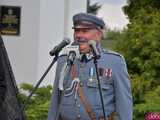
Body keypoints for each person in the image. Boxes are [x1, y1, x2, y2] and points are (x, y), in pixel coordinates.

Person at [48, 13, 133, 120]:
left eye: (85, 31)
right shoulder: (63, 60)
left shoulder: (115, 62)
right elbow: (55, 102)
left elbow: (124, 105)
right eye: (77, 31)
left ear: (99, 34)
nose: (79, 35)